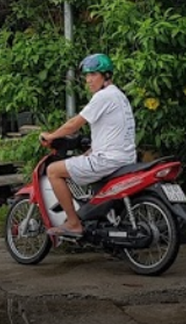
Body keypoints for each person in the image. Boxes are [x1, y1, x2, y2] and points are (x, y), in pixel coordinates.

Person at [40, 53, 137, 238]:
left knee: (53, 170)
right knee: (81, 161)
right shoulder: (119, 96)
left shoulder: (103, 97)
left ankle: (74, 223)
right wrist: (89, 151)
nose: (88, 80)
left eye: (93, 74)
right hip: (124, 158)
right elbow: (113, 133)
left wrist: (51, 136)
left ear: (106, 76)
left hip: (109, 161)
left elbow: (74, 124)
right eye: (87, 75)